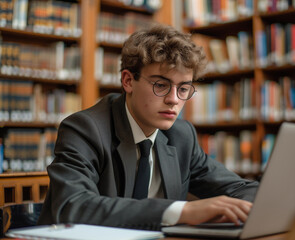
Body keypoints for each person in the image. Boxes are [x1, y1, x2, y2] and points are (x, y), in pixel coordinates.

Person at [38, 24, 259, 230]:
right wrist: (182, 211)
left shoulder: (181, 136)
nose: (174, 99)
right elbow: (73, 207)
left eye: (183, 89)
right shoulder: (85, 129)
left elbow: (240, 189)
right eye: (161, 85)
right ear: (128, 81)